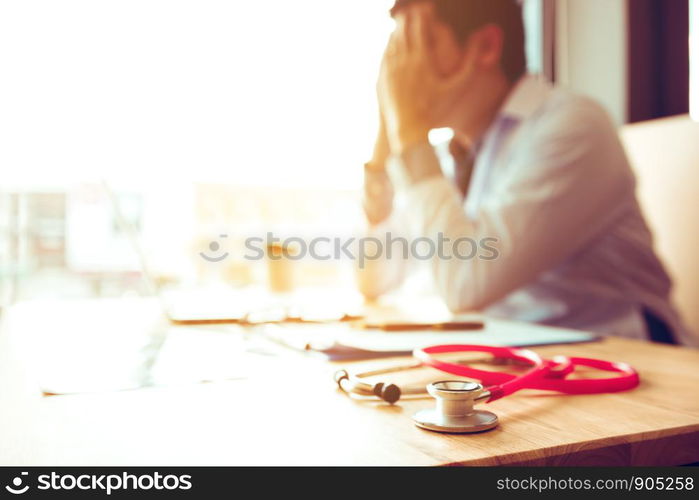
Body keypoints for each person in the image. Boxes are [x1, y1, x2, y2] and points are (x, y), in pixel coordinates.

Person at [357, 0, 693, 345]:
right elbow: (374, 281)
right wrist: (385, 139)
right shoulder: (449, 157)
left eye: (417, 43)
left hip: (624, 361)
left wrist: (408, 131)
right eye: (397, 50)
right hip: (517, 358)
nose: (399, 70)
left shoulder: (570, 126)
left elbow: (464, 285)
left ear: (485, 47)